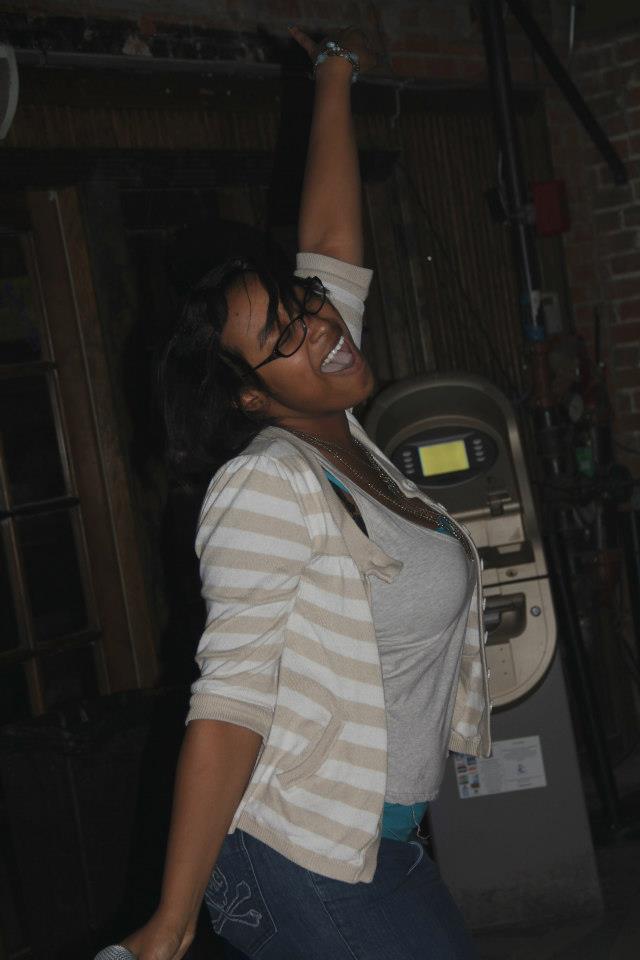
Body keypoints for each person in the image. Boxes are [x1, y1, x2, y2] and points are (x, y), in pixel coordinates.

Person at [122, 25, 491, 960]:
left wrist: (333, 69)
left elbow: (328, 241)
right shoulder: (264, 486)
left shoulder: (339, 429)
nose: (322, 329)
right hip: (293, 855)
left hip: (369, 843)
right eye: (285, 338)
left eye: (307, 305)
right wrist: (172, 925)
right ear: (251, 396)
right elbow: (229, 704)